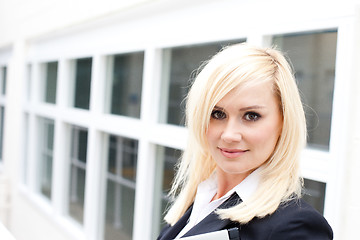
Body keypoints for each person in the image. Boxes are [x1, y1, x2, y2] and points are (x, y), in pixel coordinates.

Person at [157, 43, 333, 240]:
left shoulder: (296, 228)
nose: (229, 135)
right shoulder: (202, 199)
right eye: (217, 113)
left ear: (284, 122)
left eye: (251, 116)